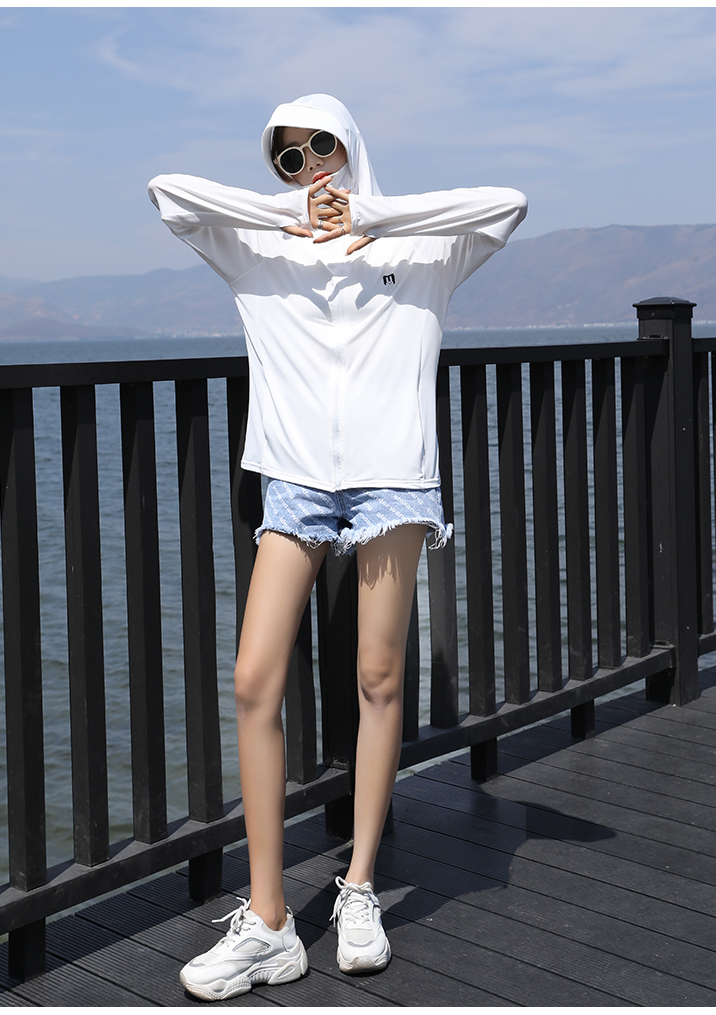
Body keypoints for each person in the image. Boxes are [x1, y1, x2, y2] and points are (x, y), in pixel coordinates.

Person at [149, 93, 526, 1002]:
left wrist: (372, 215)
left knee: (378, 676)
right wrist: (287, 215)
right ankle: (269, 919)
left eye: (323, 146)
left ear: (352, 145)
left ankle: (358, 888)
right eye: (290, 157)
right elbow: (168, 192)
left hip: (393, 479)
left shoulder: (422, 251)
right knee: (253, 680)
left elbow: (508, 203)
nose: (312, 166)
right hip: (294, 482)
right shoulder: (259, 249)